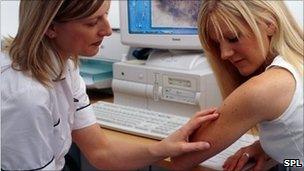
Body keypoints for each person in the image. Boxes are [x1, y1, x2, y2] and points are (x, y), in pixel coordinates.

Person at [0, 0, 220, 170]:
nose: (107, 30)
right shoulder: (27, 98)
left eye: (105, 14)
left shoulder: (64, 66)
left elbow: (101, 151)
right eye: (92, 22)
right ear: (50, 27)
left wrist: (163, 148)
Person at [171, 0, 303, 170]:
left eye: (233, 38)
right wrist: (272, 150)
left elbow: (181, 160)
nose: (224, 54)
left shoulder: (264, 88)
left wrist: (283, 159)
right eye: (217, 43)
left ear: (269, 24)